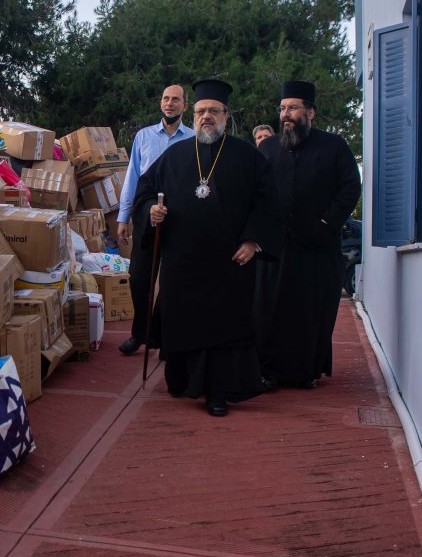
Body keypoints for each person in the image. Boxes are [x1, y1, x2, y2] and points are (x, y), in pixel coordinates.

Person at [132, 79, 282, 416]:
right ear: (193, 114)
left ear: (226, 115)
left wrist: (253, 240)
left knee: (222, 327)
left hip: (228, 262)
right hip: (183, 262)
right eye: (201, 111)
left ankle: (217, 391)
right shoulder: (175, 155)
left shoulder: (248, 156)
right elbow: (145, 190)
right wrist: (150, 212)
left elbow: (269, 202)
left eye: (213, 111)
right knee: (183, 321)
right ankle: (184, 381)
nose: (206, 117)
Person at [254, 81, 361, 390]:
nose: (285, 114)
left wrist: (326, 222)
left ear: (310, 112)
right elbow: (256, 190)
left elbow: (350, 188)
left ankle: (305, 372)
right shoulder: (269, 147)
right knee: (270, 311)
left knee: (309, 313)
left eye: (292, 108)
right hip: (276, 250)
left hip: (317, 248)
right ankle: (268, 371)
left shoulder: (334, 146)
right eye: (282, 108)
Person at [116, 85, 194, 356]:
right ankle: (140, 333)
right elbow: (132, 178)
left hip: (181, 219)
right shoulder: (144, 136)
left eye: (175, 99)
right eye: (165, 98)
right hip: (147, 215)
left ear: (185, 106)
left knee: (174, 279)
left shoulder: (194, 139)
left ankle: (160, 332)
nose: (169, 103)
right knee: (139, 278)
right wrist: (123, 217)